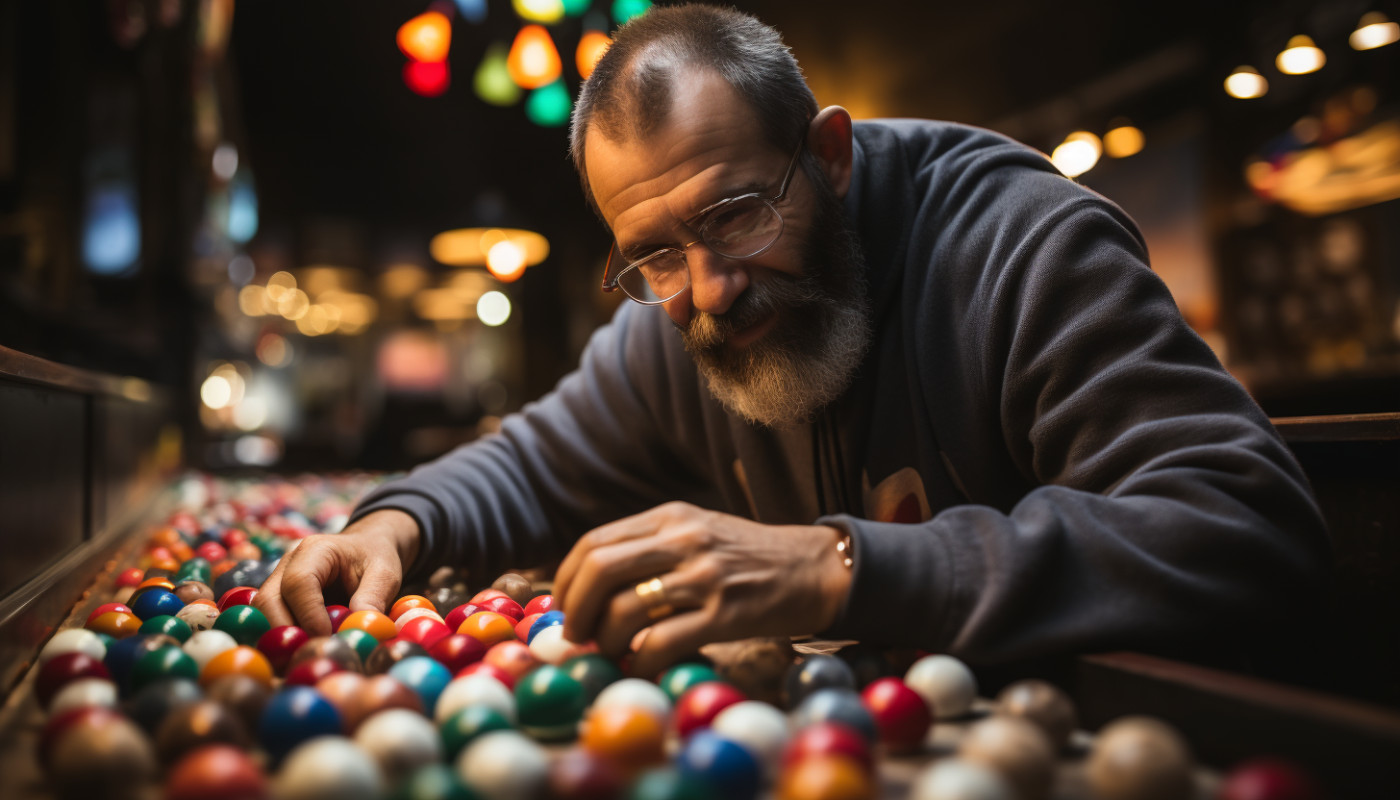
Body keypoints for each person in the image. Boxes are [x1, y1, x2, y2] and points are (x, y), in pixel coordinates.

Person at [254, 4, 1328, 679]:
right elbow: (527, 461)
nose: (708, 291)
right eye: (655, 255)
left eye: (735, 216)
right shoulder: (668, 323)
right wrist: (395, 525)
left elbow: (1243, 524)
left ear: (829, 156)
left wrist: (836, 565)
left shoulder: (1016, 244)